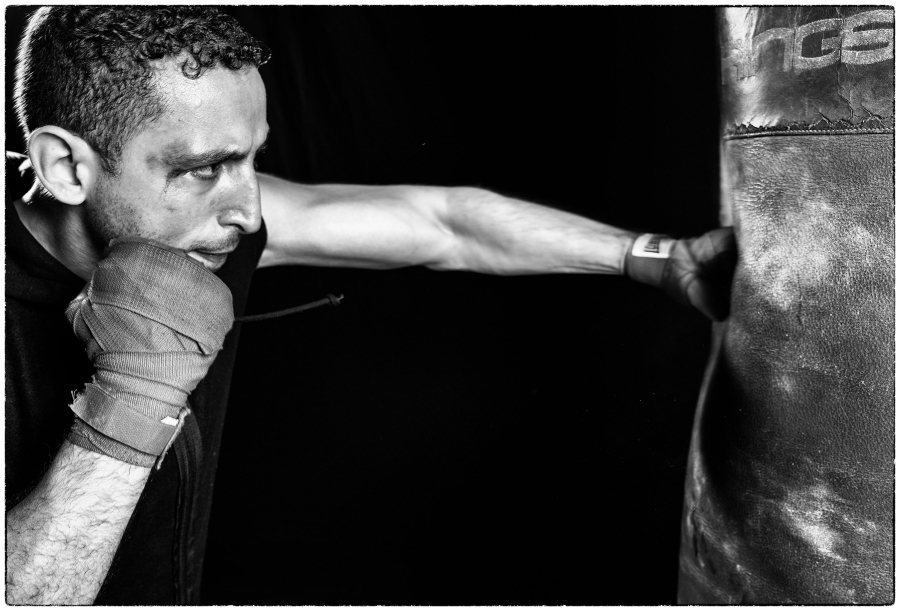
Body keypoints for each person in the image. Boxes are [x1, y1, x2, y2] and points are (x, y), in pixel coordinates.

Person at [5, 6, 736, 605]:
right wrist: (133, 401)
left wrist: (656, 257)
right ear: (65, 167)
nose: (249, 210)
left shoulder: (208, 225)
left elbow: (443, 224)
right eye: (204, 169)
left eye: (252, 158)